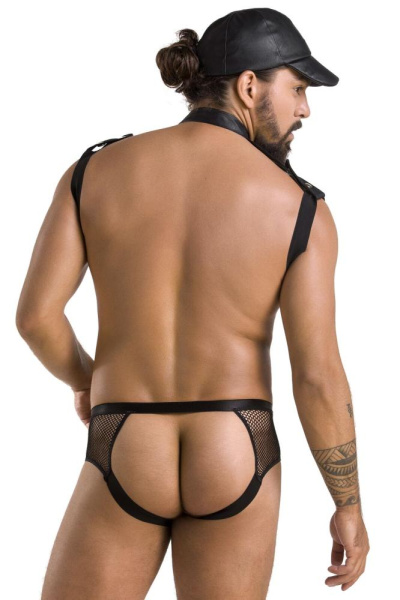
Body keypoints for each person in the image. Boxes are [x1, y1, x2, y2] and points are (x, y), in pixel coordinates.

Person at [15, 7, 369, 599]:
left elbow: (35, 319)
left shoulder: (95, 171)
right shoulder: (299, 206)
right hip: (236, 443)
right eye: (298, 89)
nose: (305, 109)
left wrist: (85, 380)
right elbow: (317, 376)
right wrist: (348, 505)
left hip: (127, 436)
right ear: (249, 85)